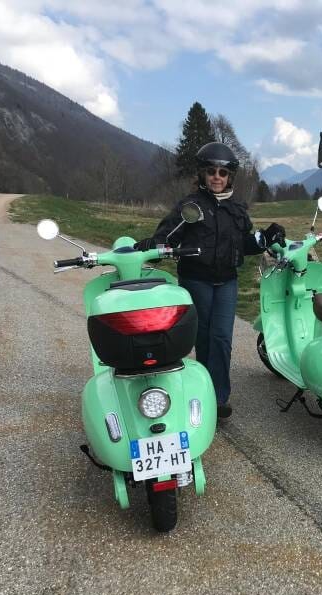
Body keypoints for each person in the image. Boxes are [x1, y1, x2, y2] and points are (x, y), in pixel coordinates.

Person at [134, 142, 285, 419]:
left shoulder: (237, 209)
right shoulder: (189, 207)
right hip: (196, 280)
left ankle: (218, 398)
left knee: (222, 339)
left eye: (223, 173)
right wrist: (151, 246)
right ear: (203, 174)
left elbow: (242, 244)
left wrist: (266, 238)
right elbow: (168, 237)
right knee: (202, 338)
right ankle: (202, 392)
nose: (217, 177)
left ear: (230, 177)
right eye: (212, 171)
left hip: (227, 281)